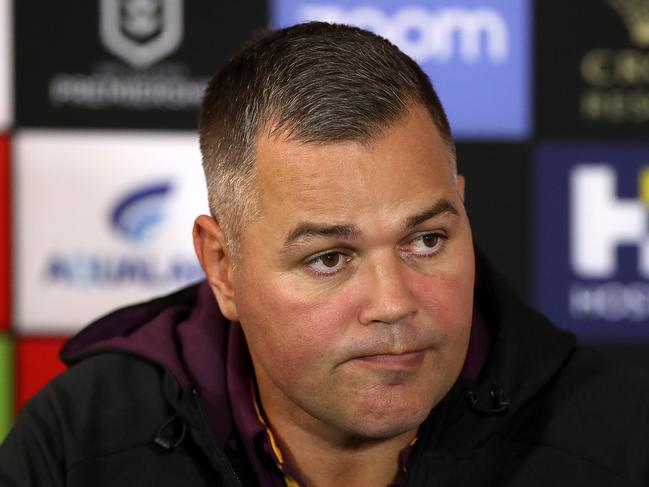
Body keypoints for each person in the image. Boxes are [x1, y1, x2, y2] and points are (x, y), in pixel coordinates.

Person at [1, 21, 648, 487]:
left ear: (462, 209)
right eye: (328, 258)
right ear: (223, 267)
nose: (393, 303)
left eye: (425, 240)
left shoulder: (614, 440)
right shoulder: (78, 442)